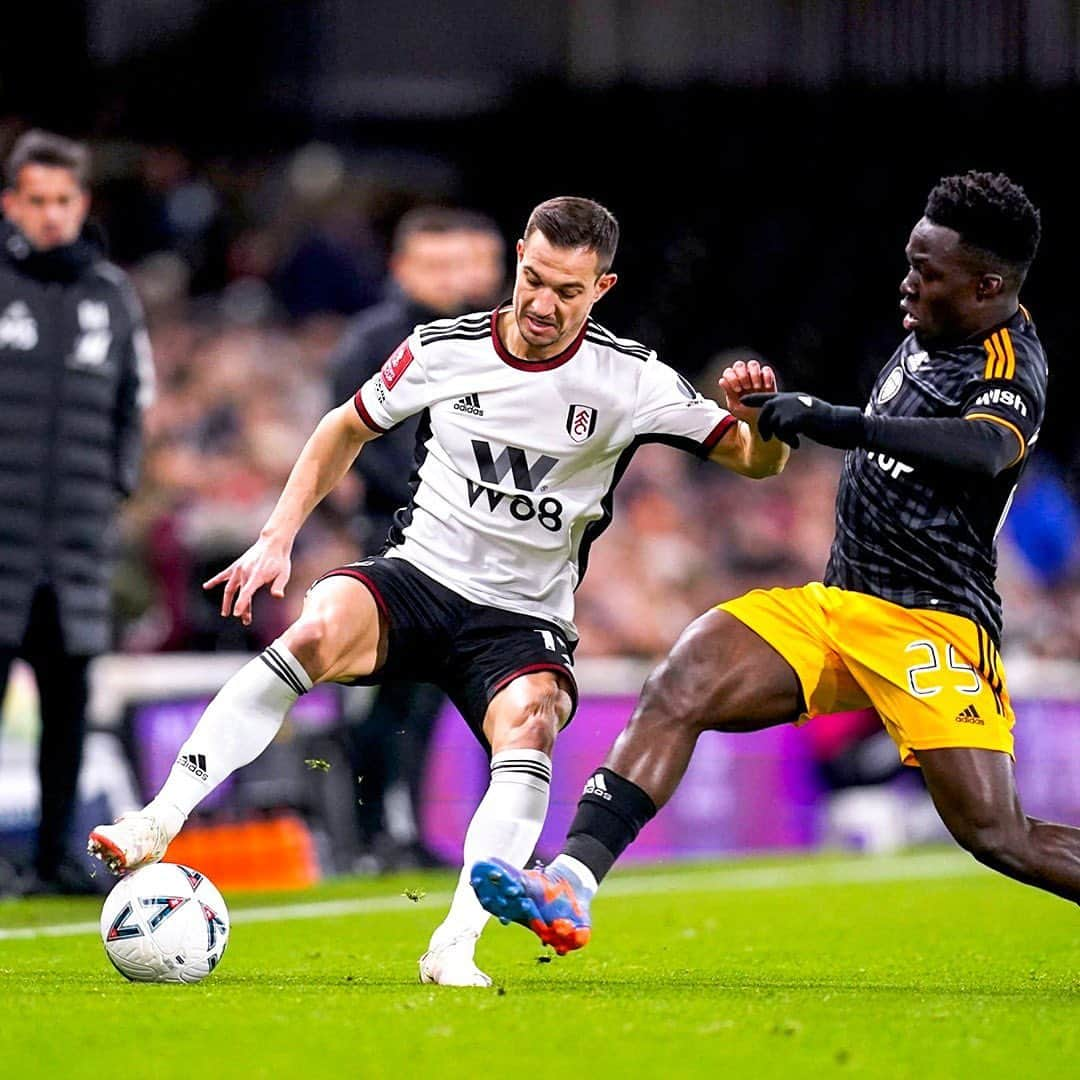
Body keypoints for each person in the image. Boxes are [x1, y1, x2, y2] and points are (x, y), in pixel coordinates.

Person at [89, 196, 787, 985]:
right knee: (316, 628)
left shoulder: (629, 378)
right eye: (534, 279)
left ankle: (453, 946)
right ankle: (159, 820)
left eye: (568, 291)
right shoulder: (441, 347)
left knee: (532, 724)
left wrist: (756, 423)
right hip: (421, 575)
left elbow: (755, 463)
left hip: (521, 619)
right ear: (519, 258)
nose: (543, 304)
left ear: (603, 289)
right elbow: (341, 428)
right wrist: (277, 536)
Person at [470, 171, 1077, 956]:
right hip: (838, 604)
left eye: (928, 272)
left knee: (997, 835)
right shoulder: (930, 329)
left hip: (931, 623)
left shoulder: (1007, 357)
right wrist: (778, 417)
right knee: (681, 680)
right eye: (910, 260)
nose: (909, 281)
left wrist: (839, 420)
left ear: (988, 285)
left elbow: (988, 447)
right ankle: (570, 885)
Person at [328, 206, 506, 871]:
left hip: (469, 547)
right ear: (400, 267)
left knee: (430, 699)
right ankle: (373, 835)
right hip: (397, 544)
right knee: (392, 697)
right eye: (437, 265)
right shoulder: (372, 340)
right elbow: (370, 449)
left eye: (463, 264)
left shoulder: (475, 339)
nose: (454, 279)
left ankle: (407, 833)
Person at [0, 130, 153, 894]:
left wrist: (112, 490)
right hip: (1, 547)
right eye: (38, 201)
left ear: (82, 203)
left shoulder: (112, 295)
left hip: (74, 550)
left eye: (65, 200)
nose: (52, 215)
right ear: (11, 203)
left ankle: (57, 857)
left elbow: (136, 405)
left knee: (67, 716)